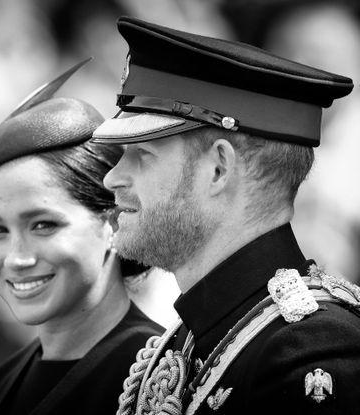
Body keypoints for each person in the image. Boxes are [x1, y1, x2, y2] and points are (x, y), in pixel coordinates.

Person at [90, 16, 360, 415]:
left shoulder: (310, 352)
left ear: (218, 169)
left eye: (141, 155)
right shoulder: (184, 342)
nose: (113, 177)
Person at [0, 61, 164, 415]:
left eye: (43, 225)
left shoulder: (160, 381)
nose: (16, 258)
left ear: (114, 221)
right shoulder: (2, 384)